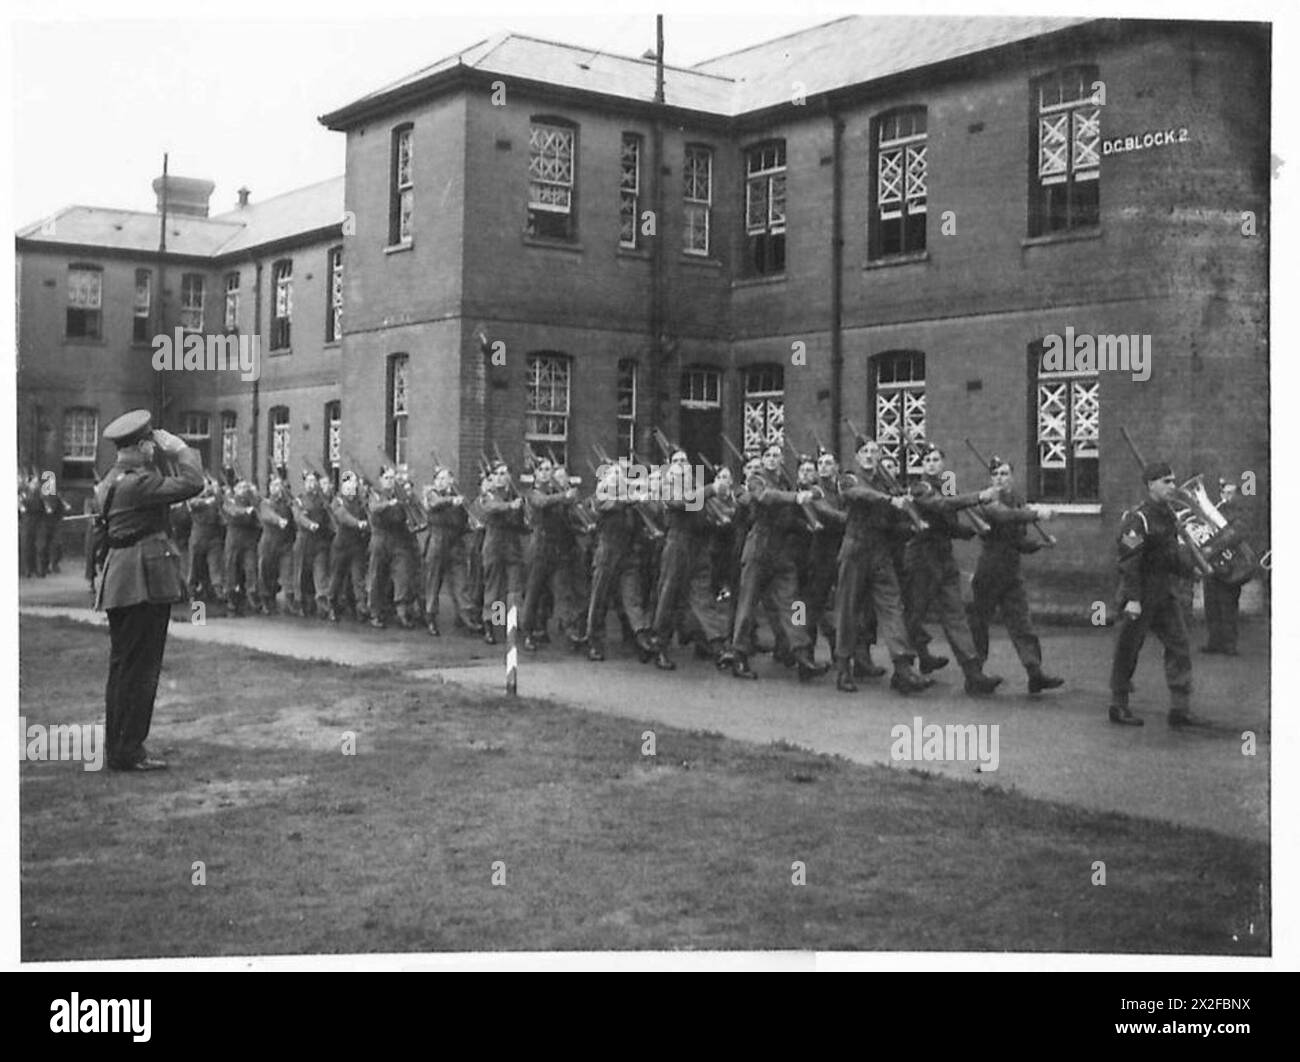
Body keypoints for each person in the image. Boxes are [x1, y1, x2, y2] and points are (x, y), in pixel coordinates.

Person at [90, 410, 203, 771]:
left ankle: (118, 746)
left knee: (123, 666)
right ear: (140, 446)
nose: (155, 448)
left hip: (120, 580)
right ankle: (129, 750)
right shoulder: (138, 483)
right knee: (142, 668)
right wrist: (181, 448)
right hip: (142, 581)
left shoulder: (112, 479)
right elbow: (192, 483)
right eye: (151, 443)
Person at [1108, 461, 1206, 728]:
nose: (1172, 486)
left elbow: (1171, 555)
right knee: (1128, 649)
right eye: (1166, 481)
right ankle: (1119, 704)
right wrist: (1133, 598)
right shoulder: (1137, 519)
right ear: (1151, 484)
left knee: (1179, 645)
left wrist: (1192, 571)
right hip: (1140, 591)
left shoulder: (1169, 516)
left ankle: (1179, 709)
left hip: (1163, 593)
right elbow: (1129, 559)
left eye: (1173, 481)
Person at [903, 443, 1003, 695]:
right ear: (922, 465)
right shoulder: (920, 488)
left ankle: (973, 673)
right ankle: (903, 669)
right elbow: (942, 506)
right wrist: (978, 496)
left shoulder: (945, 486)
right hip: (922, 561)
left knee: (956, 615)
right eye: (927, 461)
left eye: (937, 460)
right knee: (914, 616)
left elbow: (949, 524)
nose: (933, 464)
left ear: (943, 464)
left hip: (943, 558)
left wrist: (973, 531)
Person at [967, 456, 1064, 694]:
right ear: (991, 478)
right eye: (996, 474)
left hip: (1011, 571)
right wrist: (1036, 514)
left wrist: (1041, 544)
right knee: (980, 624)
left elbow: (1018, 541)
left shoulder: (1017, 500)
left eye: (1004, 473)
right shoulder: (988, 500)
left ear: (1012, 476)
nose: (1000, 478)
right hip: (989, 572)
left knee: (1022, 624)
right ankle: (975, 675)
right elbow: (1004, 516)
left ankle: (1035, 672)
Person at [1201, 478, 1246, 655]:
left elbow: (1236, 534)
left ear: (1236, 495)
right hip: (1213, 563)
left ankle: (1229, 645)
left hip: (1231, 564)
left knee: (1228, 605)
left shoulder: (1239, 513)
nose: (1226, 496)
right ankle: (1214, 642)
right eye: (1224, 493)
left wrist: (1214, 546)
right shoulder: (1215, 511)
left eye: (1230, 493)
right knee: (1211, 604)